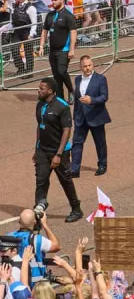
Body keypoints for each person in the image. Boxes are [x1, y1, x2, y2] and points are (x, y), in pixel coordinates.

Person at [33, 77, 82, 222]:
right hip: (42, 150)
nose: (38, 90)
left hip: (59, 151)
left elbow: (67, 131)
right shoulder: (40, 104)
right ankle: (39, 209)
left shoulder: (62, 106)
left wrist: (58, 155)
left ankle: (76, 209)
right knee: (41, 180)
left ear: (50, 91)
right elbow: (39, 126)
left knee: (65, 180)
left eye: (41, 89)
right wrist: (36, 148)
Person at [70, 55, 111, 178]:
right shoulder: (77, 79)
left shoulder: (101, 79)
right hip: (81, 117)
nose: (88, 68)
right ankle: (74, 169)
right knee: (77, 142)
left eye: (90, 65)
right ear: (80, 67)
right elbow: (76, 99)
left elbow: (104, 97)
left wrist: (91, 100)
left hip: (96, 116)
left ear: (93, 65)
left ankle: (102, 165)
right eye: (85, 66)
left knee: (100, 142)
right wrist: (75, 115)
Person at [37, 0, 77, 104]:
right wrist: (41, 46)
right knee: (56, 76)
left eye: (55, 0)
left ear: (62, 1)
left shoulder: (68, 16)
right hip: (52, 50)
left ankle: (71, 90)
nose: (53, 2)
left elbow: (73, 33)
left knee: (61, 71)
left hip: (64, 49)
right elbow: (44, 31)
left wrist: (71, 49)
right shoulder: (50, 15)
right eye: (52, 0)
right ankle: (60, 98)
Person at [10, 0, 38, 75]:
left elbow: (34, 23)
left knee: (28, 51)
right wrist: (7, 30)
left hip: (27, 31)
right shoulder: (14, 6)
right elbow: (11, 21)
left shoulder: (31, 8)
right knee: (14, 49)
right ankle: (21, 68)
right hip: (17, 31)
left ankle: (29, 71)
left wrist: (31, 34)